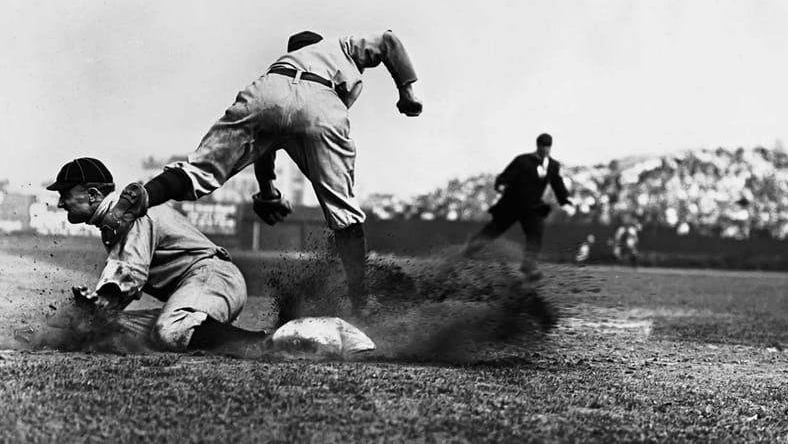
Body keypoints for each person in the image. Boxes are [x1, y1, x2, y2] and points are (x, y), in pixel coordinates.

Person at [98, 30, 423, 316]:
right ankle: (361, 301)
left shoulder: (280, 66)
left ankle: (145, 194)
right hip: (322, 104)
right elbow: (390, 40)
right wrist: (406, 91)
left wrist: (267, 192)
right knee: (344, 213)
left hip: (264, 96)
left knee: (199, 171)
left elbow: (265, 143)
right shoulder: (340, 47)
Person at [47, 157, 267, 352]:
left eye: (65, 193)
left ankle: (265, 343)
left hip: (213, 278)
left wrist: (102, 302)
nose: (60, 202)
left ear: (93, 195)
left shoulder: (132, 214)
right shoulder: (118, 219)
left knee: (170, 330)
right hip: (197, 290)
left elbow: (130, 273)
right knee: (109, 328)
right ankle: (206, 329)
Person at [465, 133, 575, 282]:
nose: (544, 149)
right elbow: (505, 176)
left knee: (536, 232)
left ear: (550, 148)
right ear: (537, 146)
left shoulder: (552, 166)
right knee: (494, 229)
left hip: (532, 208)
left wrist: (565, 200)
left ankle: (529, 265)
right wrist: (502, 185)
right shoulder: (523, 161)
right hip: (512, 204)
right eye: (542, 146)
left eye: (547, 147)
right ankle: (470, 250)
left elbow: (557, 184)